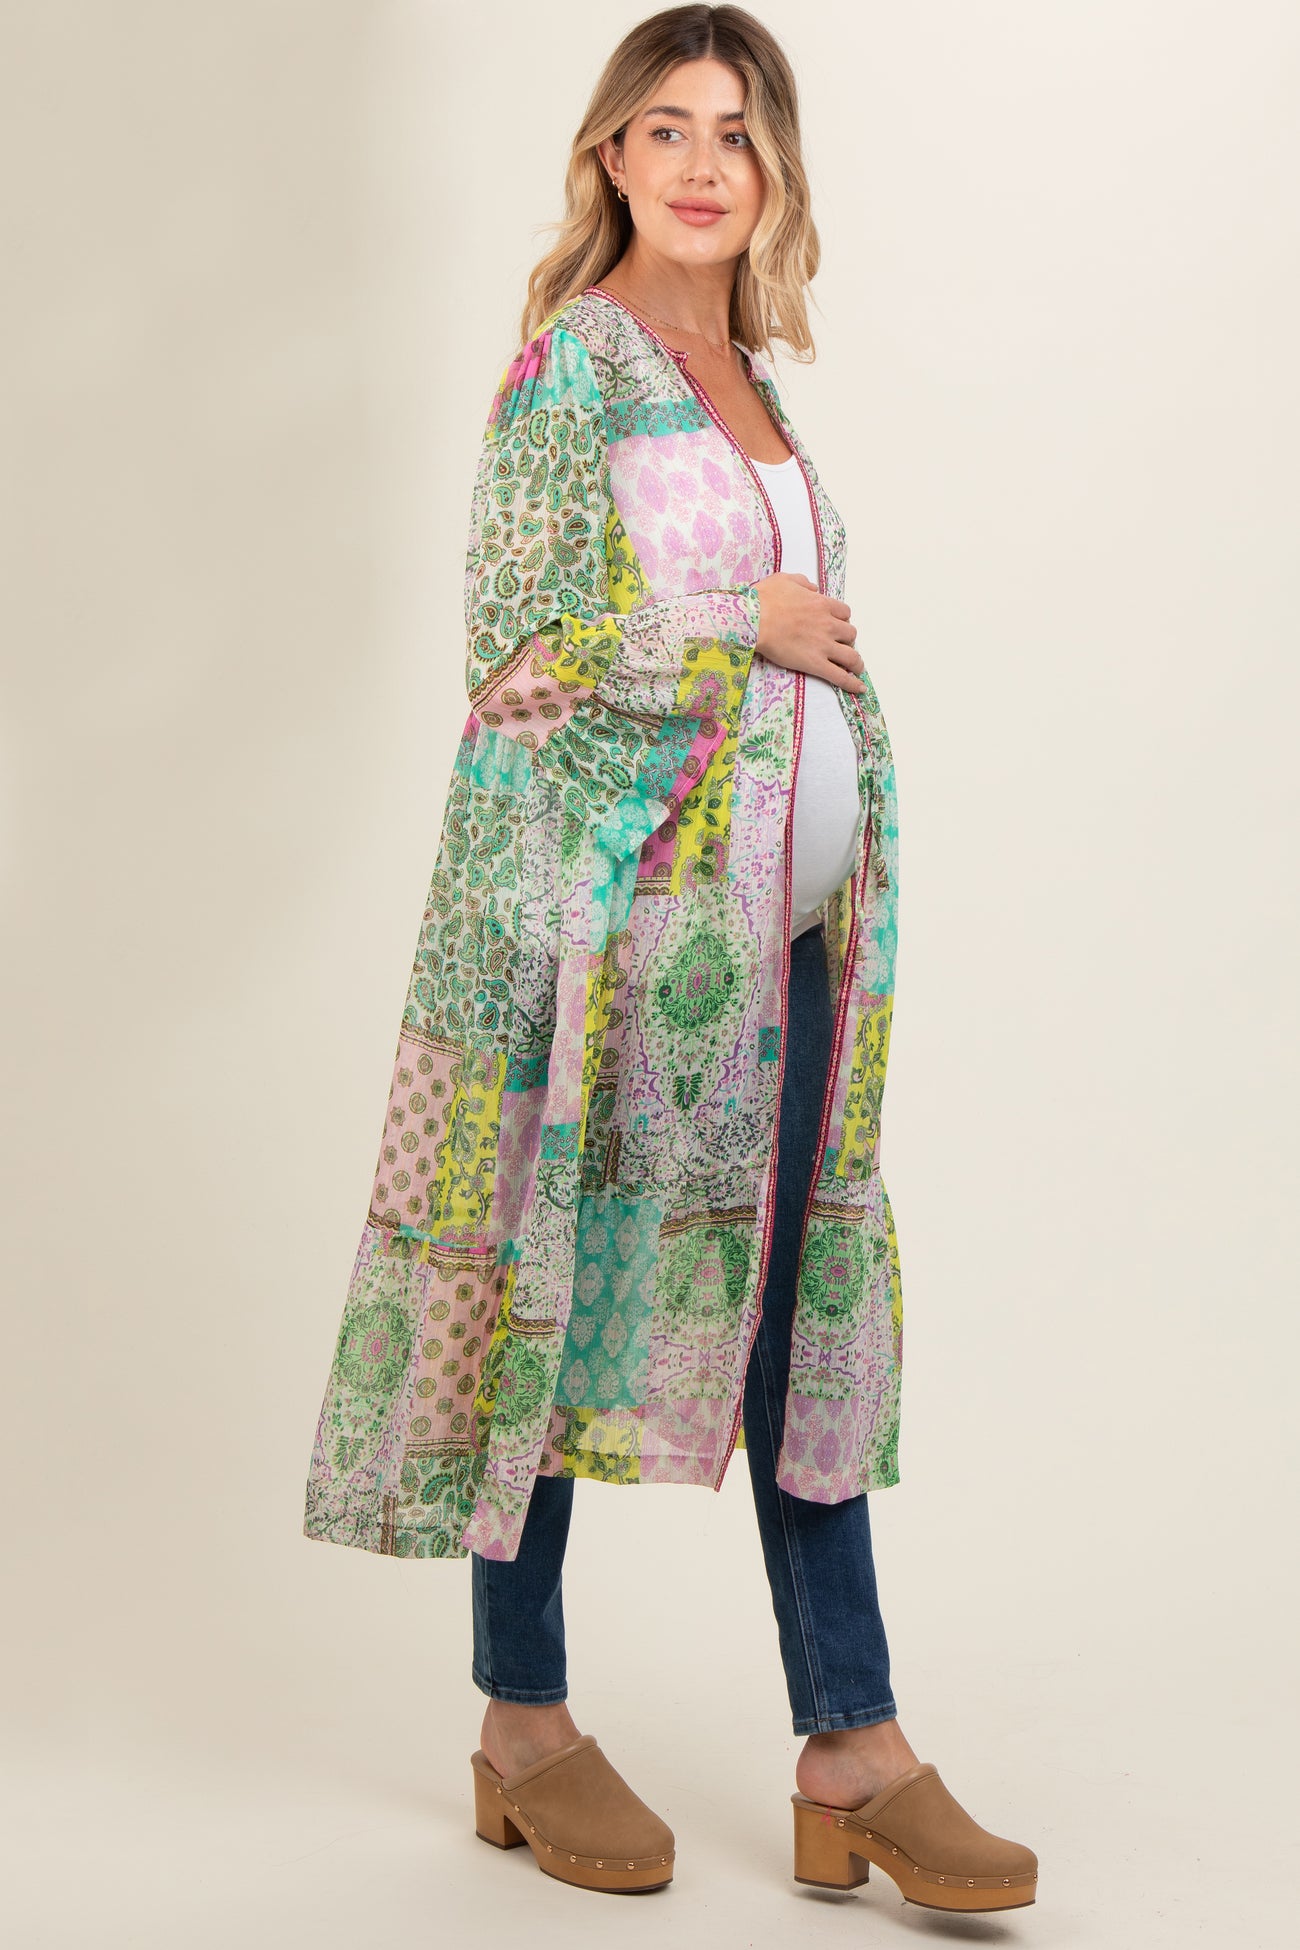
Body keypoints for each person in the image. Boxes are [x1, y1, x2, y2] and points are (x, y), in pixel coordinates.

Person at [303, 2, 1037, 1911]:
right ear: (611, 157)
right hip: (608, 937)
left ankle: (853, 1744)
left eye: (738, 132)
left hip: (773, 951)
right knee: (541, 1292)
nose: (705, 164)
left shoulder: (758, 379)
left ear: (773, 170)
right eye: (668, 129)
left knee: (800, 1307)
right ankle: (523, 1716)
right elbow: (515, 659)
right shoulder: (575, 365)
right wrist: (746, 622)